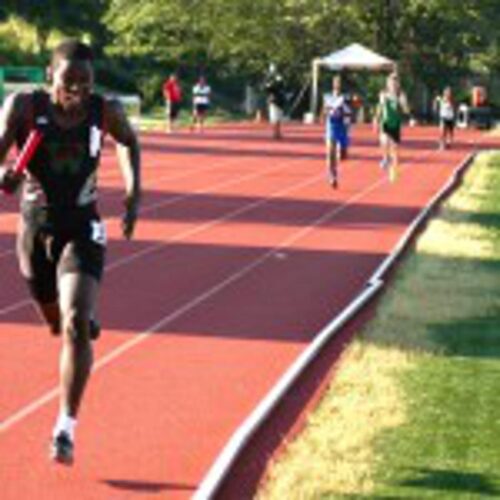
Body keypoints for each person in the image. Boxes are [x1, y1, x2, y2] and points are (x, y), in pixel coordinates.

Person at [0, 40, 141, 465]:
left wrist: (134, 194)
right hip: (34, 231)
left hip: (82, 226)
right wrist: (4, 175)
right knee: (57, 324)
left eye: (85, 81)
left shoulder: (106, 111)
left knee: (77, 323)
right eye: (68, 81)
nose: (77, 89)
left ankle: (65, 427)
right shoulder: (22, 108)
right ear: (50, 76)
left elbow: (129, 142)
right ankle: (71, 312)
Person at [374, 72, 410, 182]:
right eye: (391, 82)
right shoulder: (383, 94)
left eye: (395, 82)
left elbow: (406, 110)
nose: (393, 85)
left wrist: (404, 105)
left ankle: (394, 171)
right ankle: (385, 158)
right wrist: (376, 118)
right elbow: (380, 107)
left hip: (396, 124)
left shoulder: (401, 95)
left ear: (398, 84)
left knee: (395, 149)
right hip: (385, 122)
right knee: (384, 141)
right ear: (388, 83)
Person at [321, 75, 352, 188]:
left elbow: (350, 112)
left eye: (339, 82)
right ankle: (333, 176)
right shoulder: (327, 97)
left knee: (342, 156)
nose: (337, 84)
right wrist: (326, 113)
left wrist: (345, 110)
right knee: (330, 153)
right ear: (333, 84)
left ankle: (342, 152)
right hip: (331, 126)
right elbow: (323, 111)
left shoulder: (346, 97)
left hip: (343, 127)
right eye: (336, 82)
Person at [264, 64, 286, 140]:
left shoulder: (278, 78)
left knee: (278, 118)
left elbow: (281, 85)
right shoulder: (269, 79)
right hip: (274, 100)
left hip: (279, 100)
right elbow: (267, 89)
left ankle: (277, 133)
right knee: (275, 118)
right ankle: (275, 133)